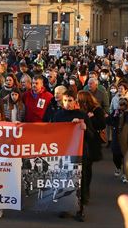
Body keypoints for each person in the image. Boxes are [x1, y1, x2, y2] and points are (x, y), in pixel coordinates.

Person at [42, 91, 94, 222]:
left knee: (79, 182)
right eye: (65, 100)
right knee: (64, 181)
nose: (67, 103)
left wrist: (84, 128)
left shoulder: (82, 115)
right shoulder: (58, 115)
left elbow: (92, 136)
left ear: (75, 101)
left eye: (70, 100)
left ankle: (80, 210)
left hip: (80, 154)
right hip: (63, 154)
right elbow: (51, 133)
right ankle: (64, 207)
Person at [108, 98, 128, 184]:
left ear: (126, 105)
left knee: (125, 156)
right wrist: (114, 116)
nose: (121, 107)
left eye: (123, 105)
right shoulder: (115, 112)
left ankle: (125, 174)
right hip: (116, 135)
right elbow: (109, 122)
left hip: (125, 136)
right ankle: (118, 167)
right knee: (115, 155)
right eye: (119, 104)